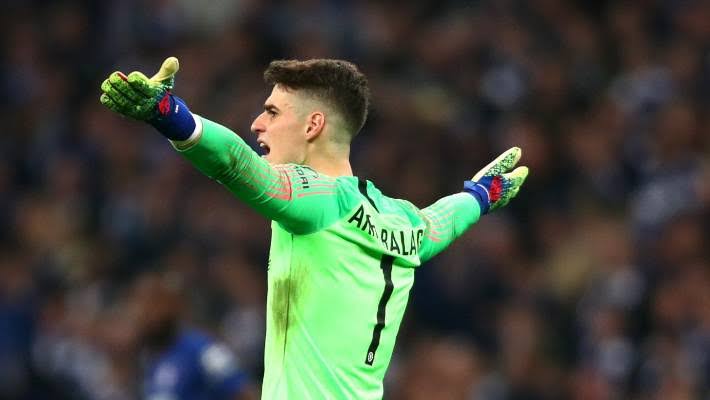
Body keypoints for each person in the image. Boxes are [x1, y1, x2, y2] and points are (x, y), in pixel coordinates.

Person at [100, 57, 528, 399]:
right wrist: (480, 196)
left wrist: (170, 115)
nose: (257, 123)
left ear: (313, 125)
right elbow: (441, 223)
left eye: (272, 111)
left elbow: (234, 162)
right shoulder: (401, 220)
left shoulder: (322, 199)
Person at [128, 272, 256, 400]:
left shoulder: (202, 349)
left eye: (155, 304)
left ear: (173, 306)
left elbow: (244, 392)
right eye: (141, 306)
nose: (147, 314)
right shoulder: (147, 360)